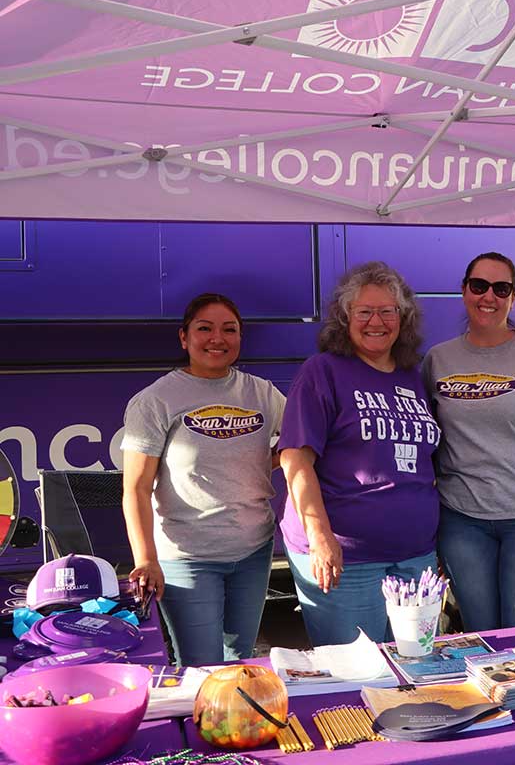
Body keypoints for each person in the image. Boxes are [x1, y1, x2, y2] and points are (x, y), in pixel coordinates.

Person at [278, 262, 441, 645]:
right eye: (364, 311)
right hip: (346, 559)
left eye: (388, 311)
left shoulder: (413, 376)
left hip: (415, 555)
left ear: (403, 318)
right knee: (356, 674)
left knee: (413, 668)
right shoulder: (323, 372)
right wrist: (320, 537)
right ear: (344, 318)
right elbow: (295, 460)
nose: (376, 321)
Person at [121, 293, 285, 665]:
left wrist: (263, 463)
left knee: (239, 660)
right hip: (188, 558)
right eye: (204, 328)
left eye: (230, 330)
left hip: (253, 550)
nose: (218, 338)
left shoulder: (263, 394)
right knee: (200, 666)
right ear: (184, 337)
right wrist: (146, 559)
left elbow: (297, 446)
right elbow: (136, 488)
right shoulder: (156, 401)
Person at [422, 252, 515, 631]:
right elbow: (425, 437)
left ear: (513, 298)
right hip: (462, 521)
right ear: (464, 291)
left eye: (500, 288)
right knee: (481, 632)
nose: (488, 296)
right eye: (479, 286)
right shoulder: (437, 360)